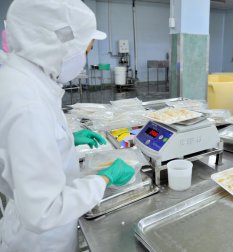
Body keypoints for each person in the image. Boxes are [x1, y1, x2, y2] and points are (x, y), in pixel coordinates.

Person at [0, 0, 135, 251]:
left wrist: (67, 138)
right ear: (56, 46)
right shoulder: (27, 103)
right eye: (84, 52)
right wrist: (104, 178)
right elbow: (45, 211)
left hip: (30, 225)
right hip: (40, 242)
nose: (83, 61)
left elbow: (27, 151)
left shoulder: (24, 79)